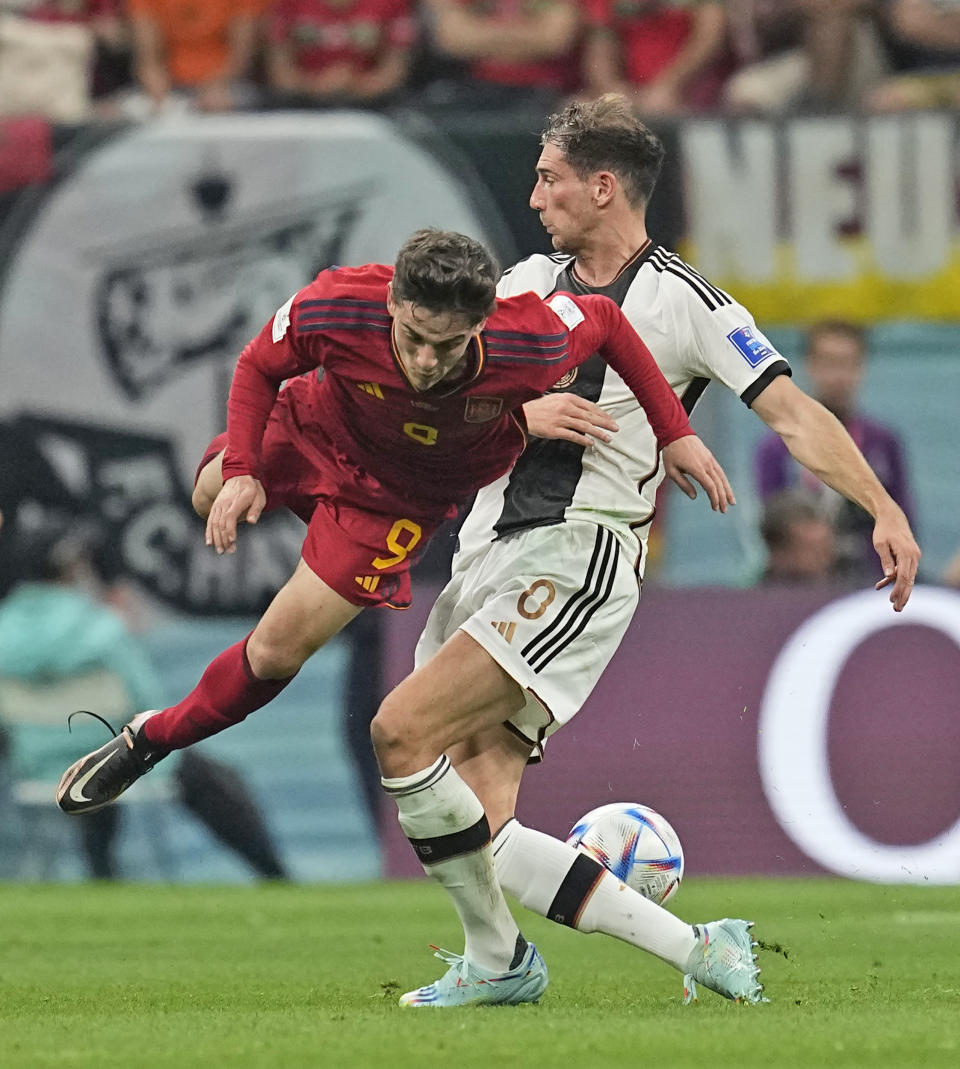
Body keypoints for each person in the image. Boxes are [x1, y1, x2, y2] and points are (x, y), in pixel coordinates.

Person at [56, 227, 733, 1003]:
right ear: (393, 303)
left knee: (277, 652)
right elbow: (258, 362)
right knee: (210, 488)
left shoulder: (527, 337)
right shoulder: (341, 302)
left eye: (449, 347)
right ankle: (507, 956)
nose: (427, 360)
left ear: (482, 324)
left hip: (390, 504)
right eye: (414, 337)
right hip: (314, 429)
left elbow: (610, 326)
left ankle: (154, 735)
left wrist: (673, 433)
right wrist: (244, 468)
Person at [389, 95, 920, 1008]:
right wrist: (516, 411)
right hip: (486, 547)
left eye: (551, 177)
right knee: (479, 817)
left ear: (604, 187)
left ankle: (502, 962)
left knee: (401, 733)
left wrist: (879, 505)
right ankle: (687, 946)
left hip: (576, 552)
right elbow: (444, 390)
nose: (534, 194)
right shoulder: (524, 282)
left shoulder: (686, 301)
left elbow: (790, 414)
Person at [0, 519, 288, 880]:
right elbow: (147, 707)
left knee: (95, 771)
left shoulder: (3, 630)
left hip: (36, 765)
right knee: (204, 776)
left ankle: (102, 875)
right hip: (113, 758)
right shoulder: (103, 627)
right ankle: (275, 876)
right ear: (68, 568)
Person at [754, 319, 915, 584]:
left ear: (861, 367)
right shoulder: (776, 447)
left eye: (847, 364)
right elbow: (771, 525)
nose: (838, 376)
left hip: (871, 579)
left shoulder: (883, 442)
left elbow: (904, 518)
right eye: (829, 363)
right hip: (795, 584)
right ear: (810, 365)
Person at [757, 489, 838, 585]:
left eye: (826, 549)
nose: (823, 559)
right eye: (811, 550)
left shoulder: (849, 594)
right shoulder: (750, 594)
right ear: (777, 553)